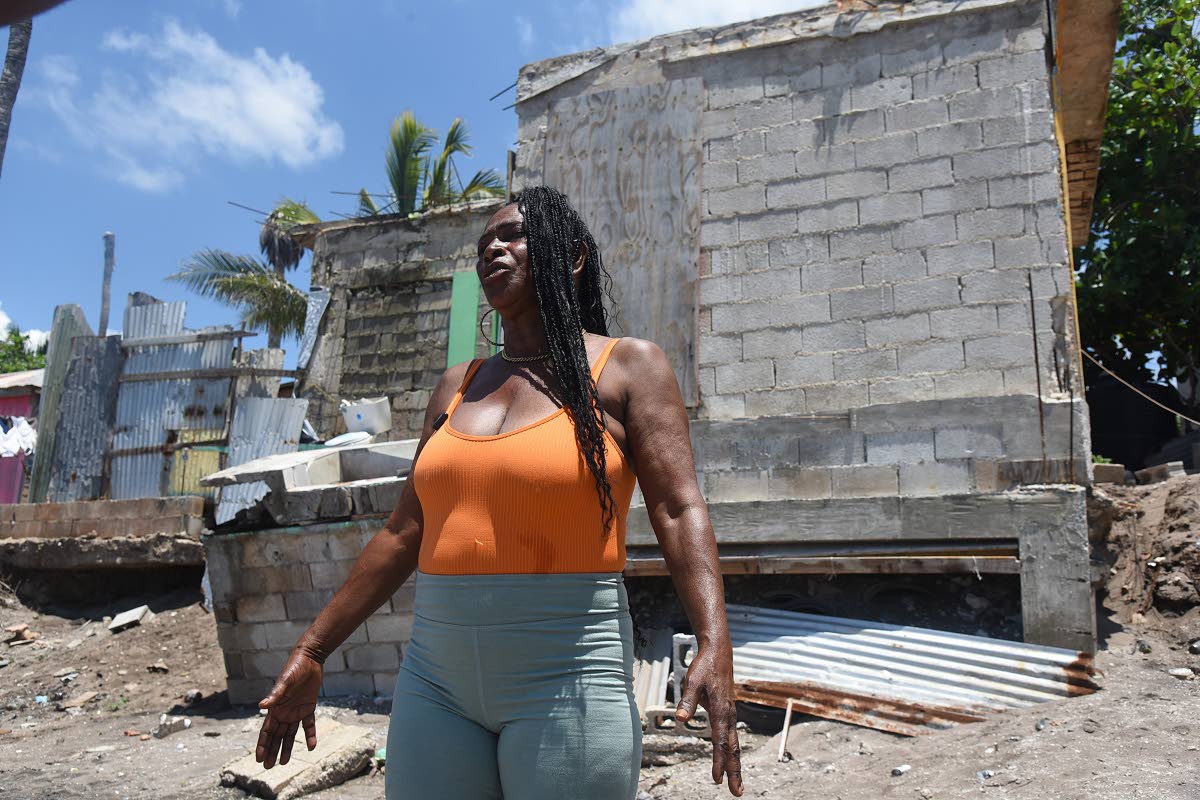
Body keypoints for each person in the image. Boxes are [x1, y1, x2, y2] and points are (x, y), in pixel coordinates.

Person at [252, 185, 744, 798]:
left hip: (568, 670)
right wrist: (313, 650)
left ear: (571, 258)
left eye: (512, 236)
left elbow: (678, 509)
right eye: (484, 243)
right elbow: (405, 532)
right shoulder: (459, 385)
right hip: (438, 675)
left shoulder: (627, 369)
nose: (493, 249)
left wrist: (714, 641)